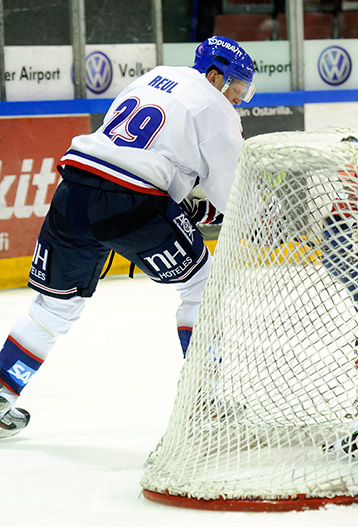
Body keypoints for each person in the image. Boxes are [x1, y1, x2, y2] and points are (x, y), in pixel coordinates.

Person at [0, 36, 256, 439]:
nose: (238, 99)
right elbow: (233, 195)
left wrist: (185, 206)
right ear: (215, 75)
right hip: (131, 203)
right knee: (203, 285)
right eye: (237, 88)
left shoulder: (155, 77)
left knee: (52, 309)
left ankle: (0, 391)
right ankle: (203, 402)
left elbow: (141, 150)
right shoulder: (215, 104)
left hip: (75, 190)